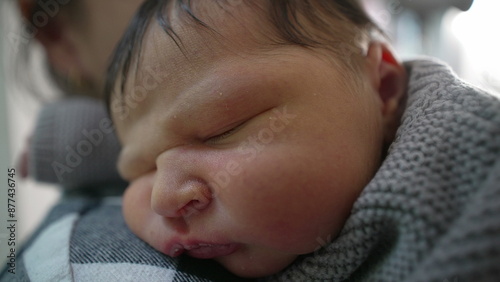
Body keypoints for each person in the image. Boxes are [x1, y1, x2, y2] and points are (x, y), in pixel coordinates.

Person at [104, 0, 500, 280]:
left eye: (221, 130)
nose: (164, 198)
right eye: (142, 169)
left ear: (382, 88)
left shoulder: (474, 164)